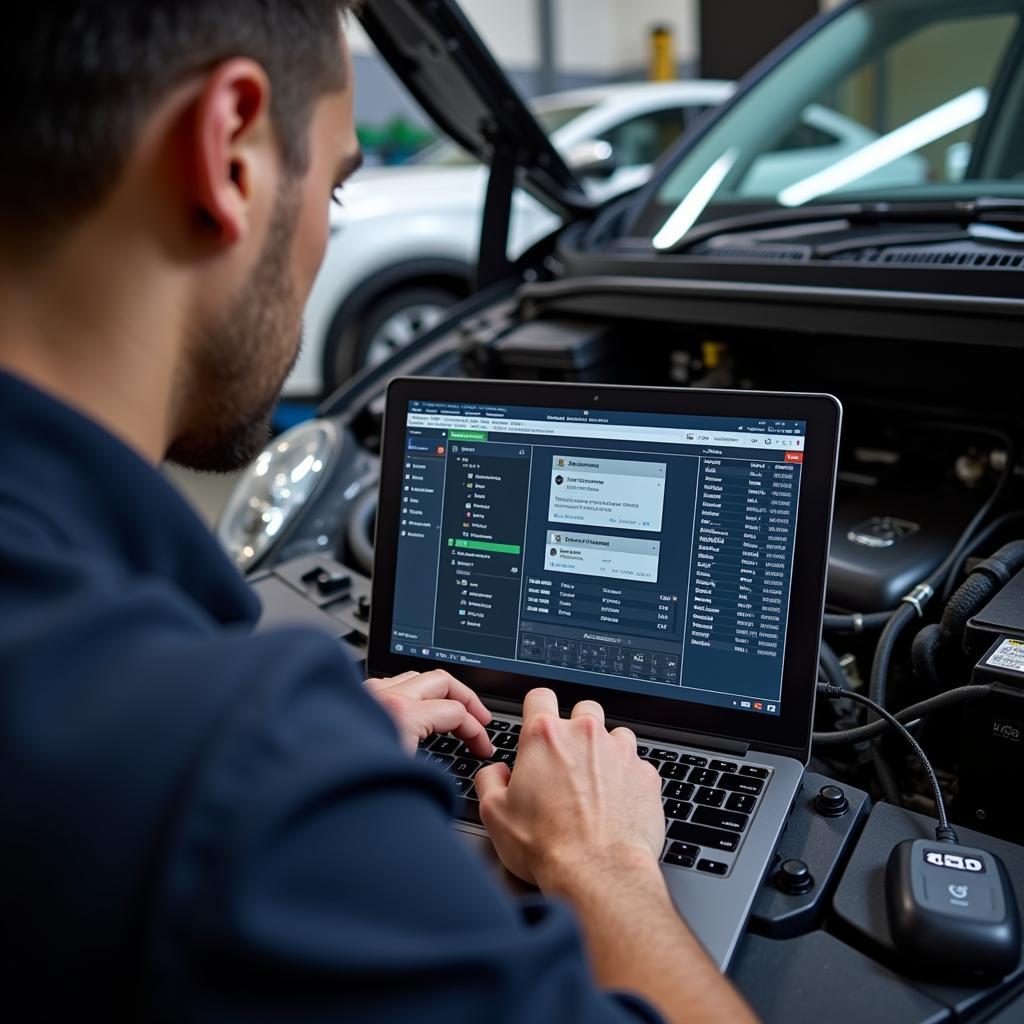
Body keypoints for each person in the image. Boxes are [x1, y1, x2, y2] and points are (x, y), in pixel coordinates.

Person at [0, 4, 757, 1022]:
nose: (324, 234)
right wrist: (607, 862)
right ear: (229, 150)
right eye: (338, 187)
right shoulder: (226, 774)